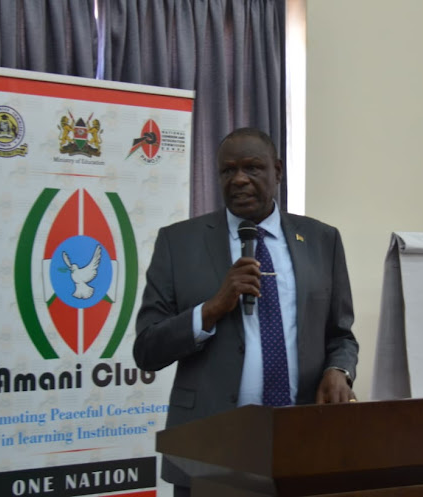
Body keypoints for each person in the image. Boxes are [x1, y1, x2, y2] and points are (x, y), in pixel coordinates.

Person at [134, 127, 359, 495]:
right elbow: (146, 350)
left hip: (301, 442)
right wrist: (211, 309)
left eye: (252, 168)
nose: (239, 179)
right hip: (210, 446)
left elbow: (341, 335)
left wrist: (339, 370)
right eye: (227, 171)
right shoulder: (178, 242)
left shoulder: (322, 240)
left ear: (278, 171)